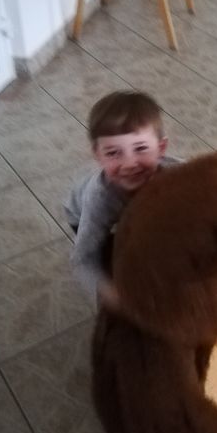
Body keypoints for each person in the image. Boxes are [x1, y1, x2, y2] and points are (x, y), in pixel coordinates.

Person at [64, 90, 180, 310]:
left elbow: (207, 180)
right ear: (97, 155)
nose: (129, 164)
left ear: (161, 149)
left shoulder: (177, 171)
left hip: (136, 211)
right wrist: (111, 296)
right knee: (112, 257)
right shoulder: (100, 197)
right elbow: (82, 259)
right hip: (79, 212)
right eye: (113, 153)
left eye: (141, 148)